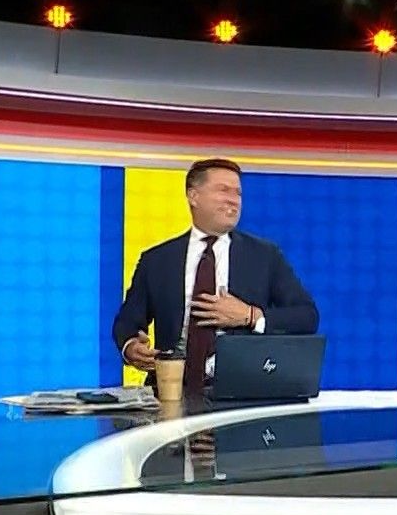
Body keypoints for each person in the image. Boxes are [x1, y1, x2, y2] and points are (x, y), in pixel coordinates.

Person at [112, 158, 319, 390]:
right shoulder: (157, 260)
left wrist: (250, 315)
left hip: (243, 390)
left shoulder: (265, 256)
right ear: (193, 196)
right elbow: (127, 322)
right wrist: (131, 346)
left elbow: (306, 316)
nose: (233, 200)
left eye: (238, 193)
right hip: (170, 389)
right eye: (223, 190)